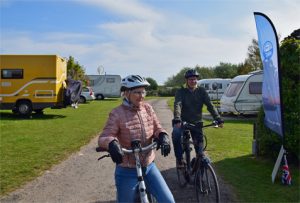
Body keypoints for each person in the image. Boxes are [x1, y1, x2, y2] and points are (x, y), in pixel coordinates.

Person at [98, 75, 175, 203]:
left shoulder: (147, 108)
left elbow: (157, 127)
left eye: (143, 91)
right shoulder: (117, 113)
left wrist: (163, 135)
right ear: (126, 93)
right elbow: (104, 137)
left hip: (149, 166)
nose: (142, 96)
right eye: (137, 92)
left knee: (168, 200)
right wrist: (111, 143)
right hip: (127, 169)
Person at [172, 69, 224, 168]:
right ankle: (179, 159)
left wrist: (218, 118)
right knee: (176, 134)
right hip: (182, 122)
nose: (193, 81)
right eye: (191, 79)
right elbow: (177, 104)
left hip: (197, 123)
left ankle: (199, 176)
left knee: (200, 153)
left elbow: (210, 105)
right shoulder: (181, 91)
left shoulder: (201, 91)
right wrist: (177, 118)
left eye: (195, 79)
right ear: (186, 80)